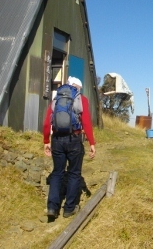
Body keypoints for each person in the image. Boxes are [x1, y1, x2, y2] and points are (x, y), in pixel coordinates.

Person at [43, 76, 96, 219]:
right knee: (74, 173)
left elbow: (47, 123)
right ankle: (69, 208)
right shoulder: (81, 99)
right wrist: (92, 143)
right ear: (77, 87)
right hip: (74, 140)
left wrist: (46, 140)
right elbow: (87, 123)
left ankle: (52, 208)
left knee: (57, 173)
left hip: (57, 140)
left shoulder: (57, 98)